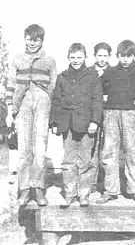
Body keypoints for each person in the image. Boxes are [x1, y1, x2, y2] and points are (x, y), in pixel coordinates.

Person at [97, 40, 135, 204]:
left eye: (128, 56)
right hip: (111, 114)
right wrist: (103, 97)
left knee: (132, 152)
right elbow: (98, 88)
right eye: (122, 56)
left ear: (133, 56)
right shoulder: (110, 72)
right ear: (117, 56)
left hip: (130, 115)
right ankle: (111, 190)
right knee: (109, 152)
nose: (125, 59)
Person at [6, 24, 57, 206]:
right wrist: (10, 109)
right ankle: (25, 190)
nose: (32, 42)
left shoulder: (49, 60)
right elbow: (11, 85)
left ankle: (39, 188)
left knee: (40, 148)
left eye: (36, 39)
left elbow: (54, 87)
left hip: (43, 103)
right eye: (29, 38)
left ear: (42, 40)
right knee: (24, 148)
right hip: (23, 104)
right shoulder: (17, 59)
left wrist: (52, 112)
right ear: (25, 39)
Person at [50, 43, 102, 207]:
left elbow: (97, 100)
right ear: (68, 58)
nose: (76, 60)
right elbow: (56, 101)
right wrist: (54, 122)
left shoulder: (92, 76)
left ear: (85, 57)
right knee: (68, 160)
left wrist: (95, 121)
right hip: (67, 124)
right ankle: (70, 193)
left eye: (79, 57)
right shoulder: (62, 77)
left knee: (85, 160)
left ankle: (84, 194)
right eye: (73, 57)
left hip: (87, 124)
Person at [89, 42, 113, 193]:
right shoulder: (89, 72)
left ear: (109, 56)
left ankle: (106, 183)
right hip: (92, 112)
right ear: (95, 56)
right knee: (92, 145)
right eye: (100, 55)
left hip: (108, 112)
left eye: (105, 55)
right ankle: (91, 182)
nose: (102, 59)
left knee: (107, 146)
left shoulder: (113, 72)